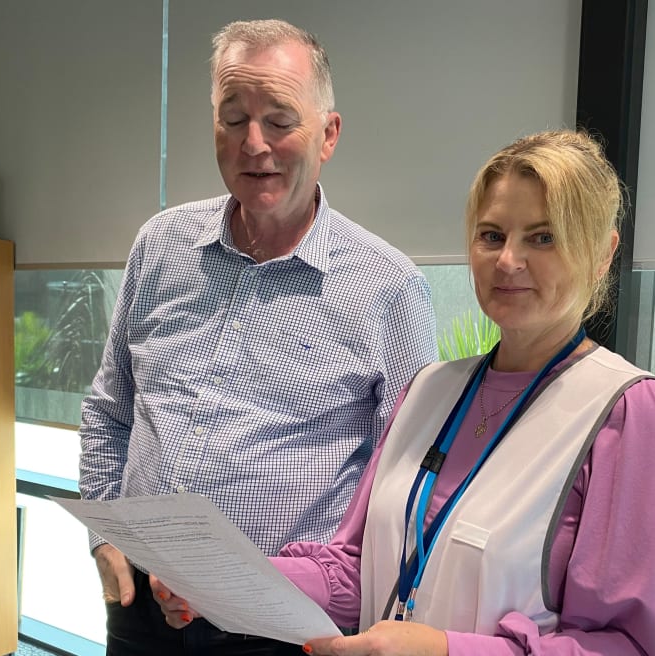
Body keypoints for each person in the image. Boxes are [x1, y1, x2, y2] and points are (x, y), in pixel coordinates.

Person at [154, 130, 655, 655]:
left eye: (544, 237)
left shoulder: (632, 414)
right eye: (491, 236)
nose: (508, 260)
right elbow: (353, 571)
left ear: (603, 253)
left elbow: (635, 646)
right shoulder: (429, 390)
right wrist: (222, 578)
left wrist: (445, 650)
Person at [79, 18, 438, 656]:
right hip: (142, 610)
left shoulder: (388, 286)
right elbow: (110, 410)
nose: (253, 144)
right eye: (233, 118)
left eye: (279, 120)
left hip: (280, 627)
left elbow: (405, 483)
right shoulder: (160, 245)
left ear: (328, 134)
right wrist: (105, 539)